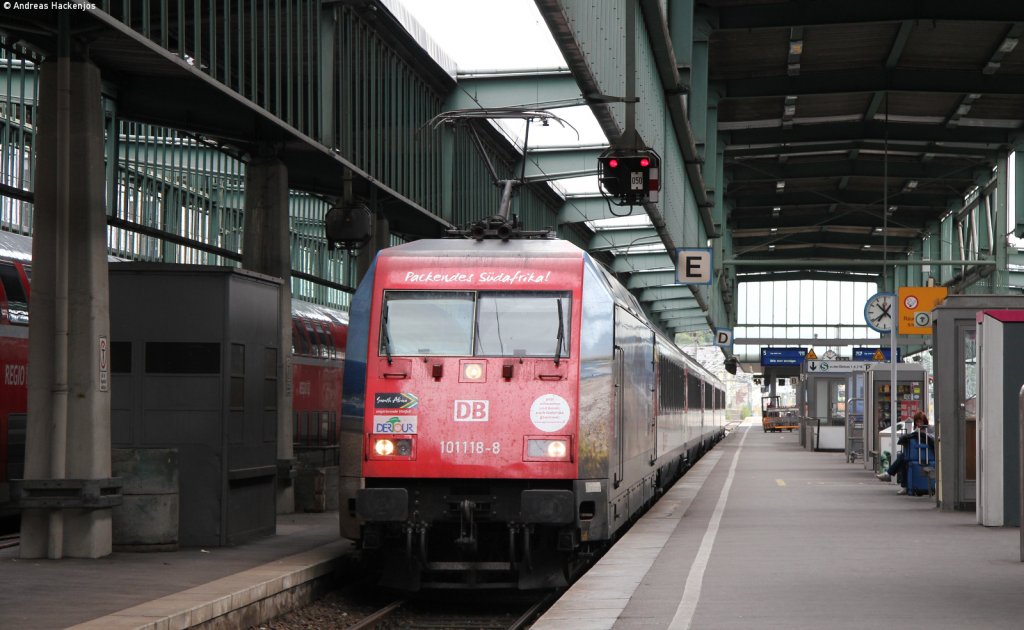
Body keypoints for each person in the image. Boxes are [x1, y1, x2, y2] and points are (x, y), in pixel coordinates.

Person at [876, 411, 935, 495]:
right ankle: (903, 485)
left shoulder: (929, 429)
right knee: (904, 460)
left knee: (903, 457)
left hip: (927, 455)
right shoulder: (916, 430)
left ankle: (890, 475)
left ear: (924, 421)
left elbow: (932, 439)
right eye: (917, 421)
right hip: (918, 454)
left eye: (920, 421)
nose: (919, 423)